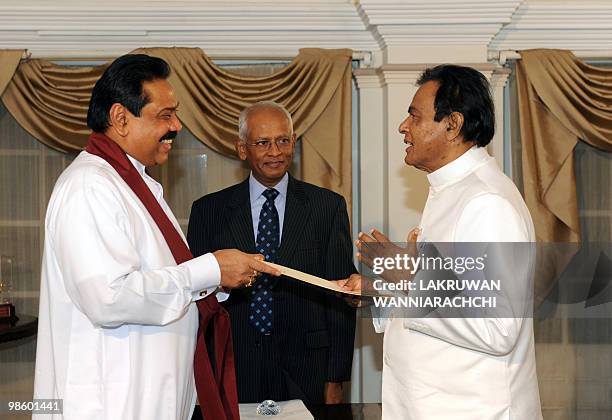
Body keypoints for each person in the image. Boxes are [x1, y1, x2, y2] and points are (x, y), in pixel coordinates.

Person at [34, 54, 279, 420]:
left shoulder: (136, 185)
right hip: (110, 405)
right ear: (120, 118)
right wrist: (209, 270)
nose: (177, 126)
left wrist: (218, 277)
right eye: (165, 115)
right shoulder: (89, 186)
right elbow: (109, 298)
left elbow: (162, 279)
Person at [338, 65, 542, 419]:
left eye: (415, 116)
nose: (403, 127)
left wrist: (407, 275)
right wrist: (379, 290)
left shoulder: (487, 202)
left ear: (453, 125)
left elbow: (497, 327)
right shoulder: (450, 191)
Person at [187, 101, 356, 406]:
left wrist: (336, 378)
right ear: (242, 149)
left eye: (283, 141)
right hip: (231, 366)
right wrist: (200, 376)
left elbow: (340, 297)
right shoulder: (208, 211)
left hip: (308, 369)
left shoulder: (326, 208)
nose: (275, 152)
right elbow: (198, 300)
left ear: (294, 142)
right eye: (263, 143)